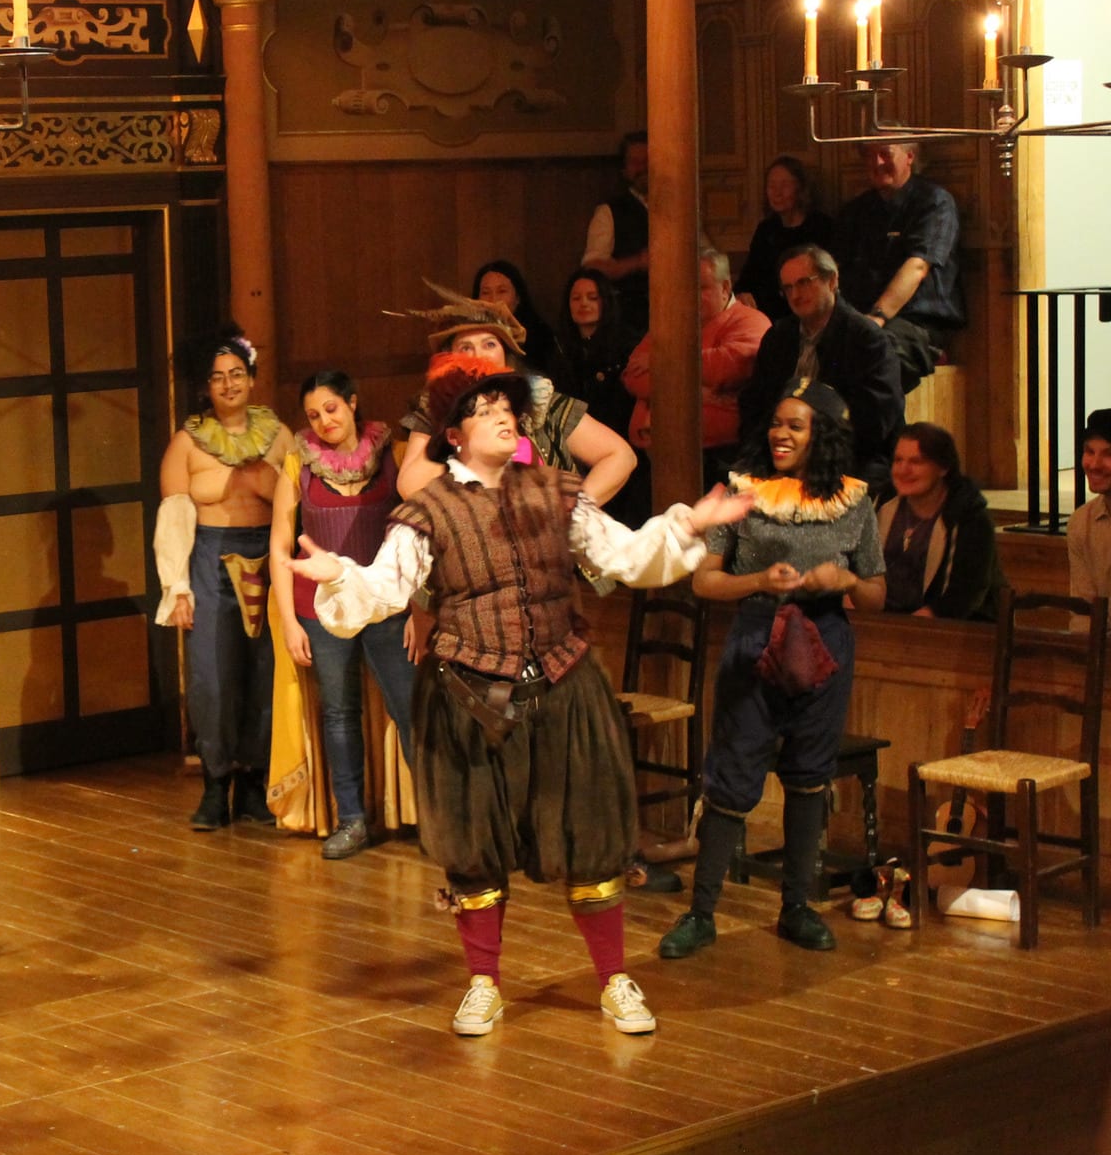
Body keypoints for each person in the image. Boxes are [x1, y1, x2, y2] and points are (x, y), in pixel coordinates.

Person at [289, 353, 753, 1038]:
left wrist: (685, 526)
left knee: (592, 841)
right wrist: (337, 577)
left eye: (509, 406)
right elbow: (383, 589)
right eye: (486, 409)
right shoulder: (426, 512)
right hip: (468, 697)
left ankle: (614, 979)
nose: (504, 416)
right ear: (455, 434)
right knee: (474, 850)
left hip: (564, 688)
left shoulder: (560, 492)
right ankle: (483, 982)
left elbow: (625, 559)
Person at [660, 380, 887, 960]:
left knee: (810, 774)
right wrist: (760, 580)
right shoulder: (743, 494)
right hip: (756, 632)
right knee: (732, 773)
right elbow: (705, 580)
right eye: (776, 423)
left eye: (796, 426)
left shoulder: (854, 502)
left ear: (823, 436)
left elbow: (879, 593)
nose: (780, 434)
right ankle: (701, 912)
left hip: (825, 638)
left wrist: (848, 582)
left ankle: (796, 908)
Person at [269, 371, 415, 860]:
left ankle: (440, 817)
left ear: (353, 403)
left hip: (386, 603)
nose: (324, 421)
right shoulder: (298, 463)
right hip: (322, 609)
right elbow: (279, 546)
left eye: (331, 408)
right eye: (313, 415)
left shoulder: (392, 455)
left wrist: (419, 606)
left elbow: (419, 533)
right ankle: (352, 820)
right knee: (338, 713)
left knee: (411, 708)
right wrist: (290, 620)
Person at [155, 327, 290, 830]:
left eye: (237, 374)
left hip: (268, 558)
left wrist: (265, 480)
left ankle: (255, 784)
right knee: (213, 677)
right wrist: (178, 587)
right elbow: (173, 519)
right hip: (210, 560)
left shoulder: (278, 436)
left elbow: (295, 505)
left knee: (263, 672)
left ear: (252, 379)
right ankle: (215, 785)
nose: (229, 384)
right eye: (218, 378)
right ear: (205, 388)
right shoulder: (187, 443)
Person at [388, 282, 636, 506]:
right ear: (451, 358)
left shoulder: (541, 401)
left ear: (505, 355)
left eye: (489, 344)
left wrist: (571, 512)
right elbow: (410, 484)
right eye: (466, 347)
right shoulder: (435, 408)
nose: (478, 356)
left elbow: (619, 456)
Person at [740, 245, 903, 491]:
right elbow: (756, 404)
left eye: (804, 282)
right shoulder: (779, 336)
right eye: (788, 287)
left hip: (848, 459)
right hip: (782, 456)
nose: (796, 294)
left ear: (832, 280)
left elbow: (877, 420)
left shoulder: (867, 339)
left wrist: (815, 450)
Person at [625, 246, 771, 488]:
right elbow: (633, 375)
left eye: (700, 288)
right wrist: (698, 392)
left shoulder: (750, 320)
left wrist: (660, 362)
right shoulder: (671, 323)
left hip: (718, 463)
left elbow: (731, 365)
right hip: (654, 460)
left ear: (725, 288)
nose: (690, 296)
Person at [832, 141, 963, 392]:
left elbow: (917, 267)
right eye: (870, 156)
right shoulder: (855, 211)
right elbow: (834, 270)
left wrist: (877, 317)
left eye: (885, 154)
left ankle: (881, 432)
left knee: (872, 354)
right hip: (860, 319)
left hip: (917, 324)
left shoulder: (934, 203)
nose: (877, 162)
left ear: (909, 156)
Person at [876, 422, 1005, 621]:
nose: (903, 470)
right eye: (898, 460)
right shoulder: (881, 503)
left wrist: (913, 628)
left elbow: (965, 596)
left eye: (916, 462)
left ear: (943, 468)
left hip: (957, 628)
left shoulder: (970, 517)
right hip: (888, 621)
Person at [737, 156, 835, 323]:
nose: (777, 192)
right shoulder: (766, 230)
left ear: (800, 188)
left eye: (785, 185)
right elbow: (749, 276)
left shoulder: (822, 227)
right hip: (767, 315)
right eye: (771, 186)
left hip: (808, 313)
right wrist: (743, 293)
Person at [548, 267, 636, 440]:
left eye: (593, 298)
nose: (584, 303)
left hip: (616, 436)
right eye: (576, 298)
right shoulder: (560, 347)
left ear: (606, 301)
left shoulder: (625, 347)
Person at [582, 131, 653, 333]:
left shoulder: (681, 209)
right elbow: (592, 267)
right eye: (635, 162)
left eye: (648, 160)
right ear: (624, 170)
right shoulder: (609, 211)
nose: (643, 168)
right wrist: (638, 263)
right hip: (629, 319)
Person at [473, 259, 556, 374]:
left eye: (502, 291)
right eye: (486, 292)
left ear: (518, 298)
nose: (493, 300)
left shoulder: (540, 337)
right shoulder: (468, 334)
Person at [1067, 408, 1111, 623]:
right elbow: (1084, 614)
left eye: (1108, 454)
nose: (1094, 465)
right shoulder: (1081, 522)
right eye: (1089, 452)